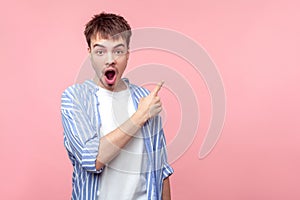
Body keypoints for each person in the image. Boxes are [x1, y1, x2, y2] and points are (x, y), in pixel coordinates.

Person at [61, 12, 173, 200]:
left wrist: (145, 110)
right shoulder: (75, 98)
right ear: (90, 53)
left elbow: (160, 169)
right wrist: (140, 116)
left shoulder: (144, 98)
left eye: (118, 51)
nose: (110, 59)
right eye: (100, 51)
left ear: (128, 55)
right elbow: (93, 159)